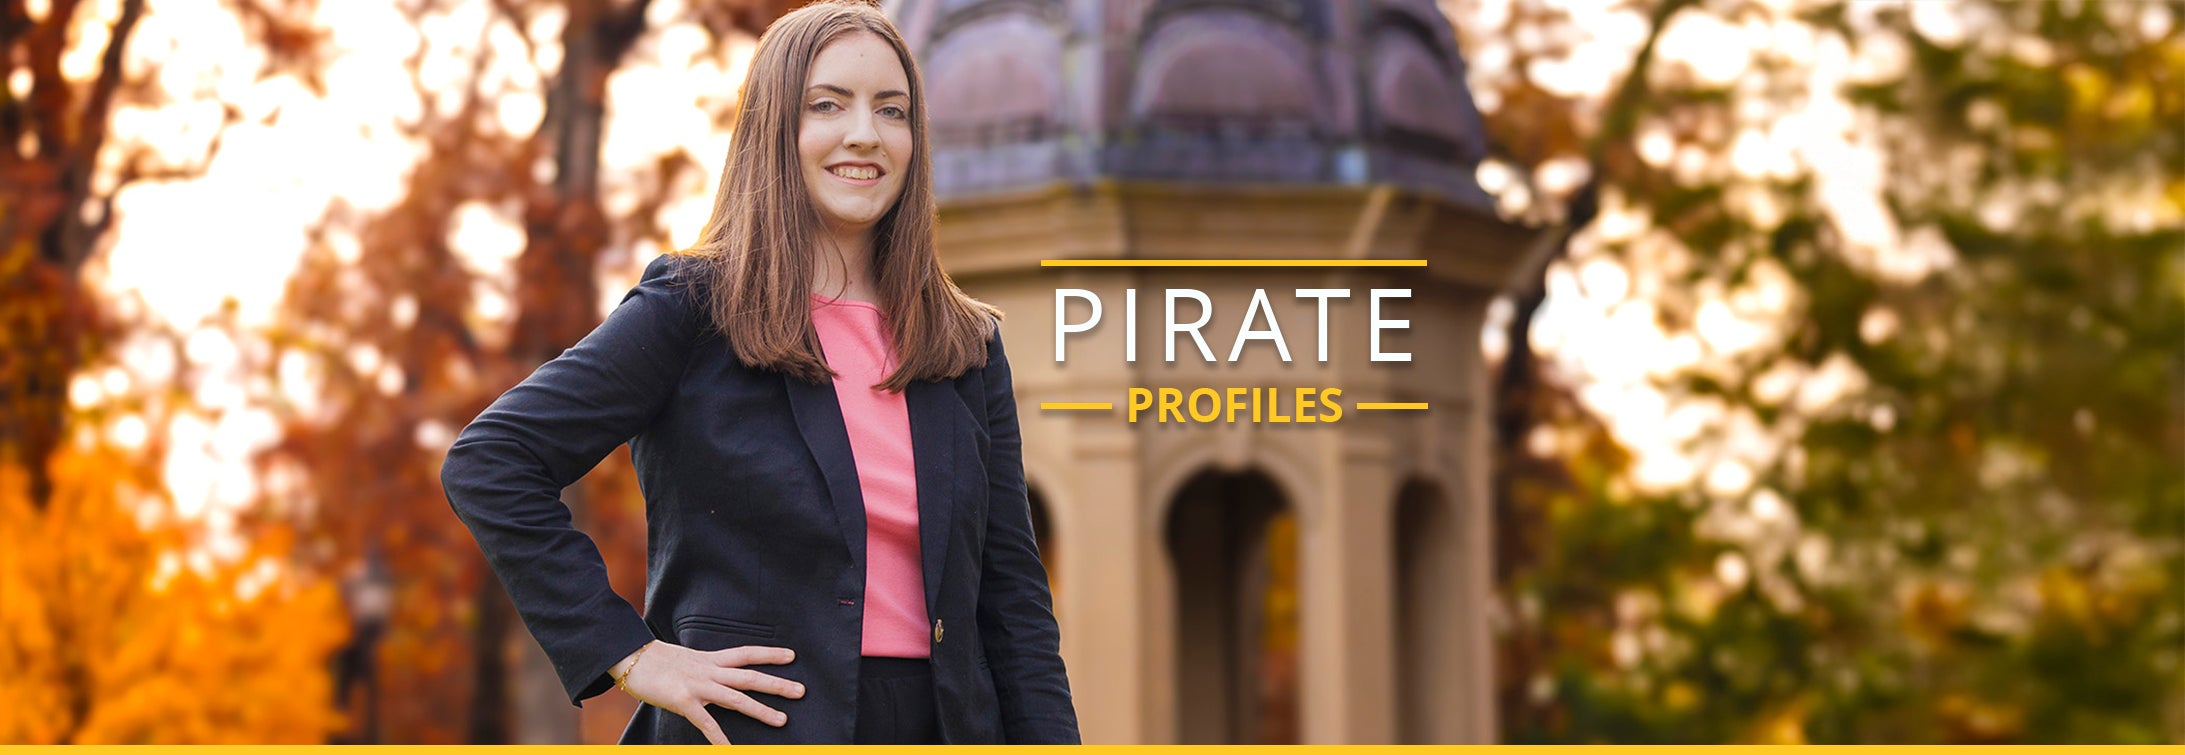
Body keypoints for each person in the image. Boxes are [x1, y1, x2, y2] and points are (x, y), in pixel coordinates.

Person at [438, 0, 1078, 744]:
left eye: (892, 110)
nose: (864, 134)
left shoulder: (964, 345)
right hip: (753, 730)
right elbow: (491, 460)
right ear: (776, 128)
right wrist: (628, 654)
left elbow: (1013, 605)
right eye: (827, 105)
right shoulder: (691, 310)